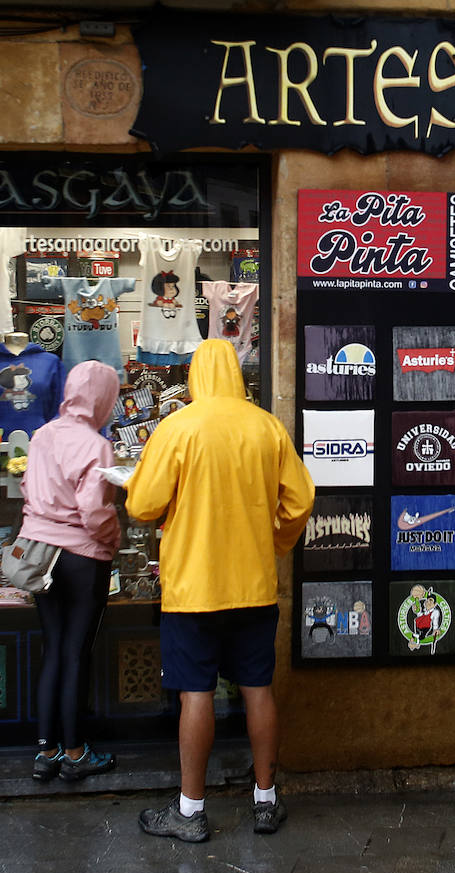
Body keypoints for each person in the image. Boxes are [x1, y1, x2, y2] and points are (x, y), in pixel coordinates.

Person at [125, 339, 315, 842]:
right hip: (253, 587)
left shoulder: (178, 428)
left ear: (195, 376)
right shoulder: (266, 427)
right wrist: (274, 543)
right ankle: (266, 800)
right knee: (258, 690)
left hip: (194, 590)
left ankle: (190, 811)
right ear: (236, 373)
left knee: (196, 694)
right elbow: (299, 502)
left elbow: (142, 505)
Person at [18, 359, 121, 782]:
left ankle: (46, 751)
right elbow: (95, 512)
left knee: (54, 648)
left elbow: (27, 487)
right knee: (77, 651)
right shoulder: (96, 445)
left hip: (38, 554)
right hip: (80, 555)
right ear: (103, 399)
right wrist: (113, 540)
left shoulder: (42, 435)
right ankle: (76, 753)